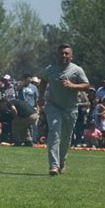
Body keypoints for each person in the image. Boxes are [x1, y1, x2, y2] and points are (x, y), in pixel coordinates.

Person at [38, 44, 90, 176]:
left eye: (67, 53)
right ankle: (53, 166)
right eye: (61, 53)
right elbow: (43, 80)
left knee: (66, 138)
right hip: (53, 106)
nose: (64, 56)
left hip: (70, 109)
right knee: (54, 133)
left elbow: (86, 86)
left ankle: (62, 161)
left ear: (71, 56)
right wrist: (41, 96)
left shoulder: (77, 70)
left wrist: (72, 85)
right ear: (58, 55)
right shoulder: (51, 69)